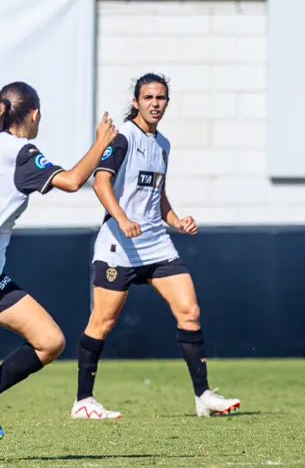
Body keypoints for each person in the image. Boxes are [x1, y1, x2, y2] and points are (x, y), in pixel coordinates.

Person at [70, 73, 240, 420]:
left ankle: (203, 395)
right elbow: (100, 182)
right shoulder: (123, 139)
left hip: (156, 244)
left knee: (189, 311)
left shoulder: (163, 144)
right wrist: (121, 218)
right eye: (148, 97)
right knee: (102, 321)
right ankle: (83, 401)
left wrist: (176, 220)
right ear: (136, 102)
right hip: (119, 244)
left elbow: (156, 194)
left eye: (160, 98)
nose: (154, 104)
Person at [0, 82, 117, 437]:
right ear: (34, 114)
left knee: (49, 341)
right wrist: (100, 144)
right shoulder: (19, 153)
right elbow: (70, 181)